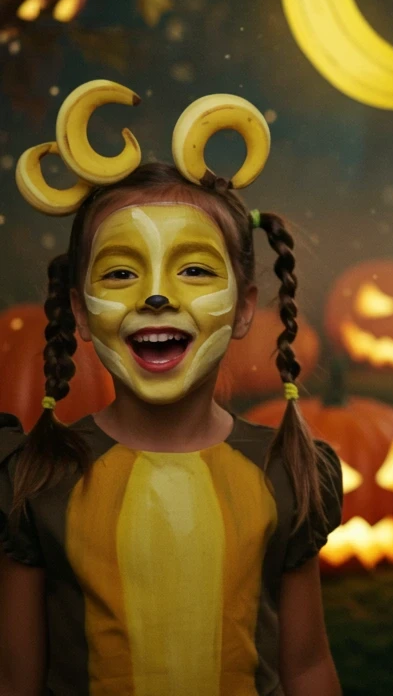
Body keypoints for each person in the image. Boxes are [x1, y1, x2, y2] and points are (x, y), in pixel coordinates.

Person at [0, 81, 344, 695]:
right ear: (80, 312)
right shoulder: (37, 477)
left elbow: (308, 666)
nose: (156, 296)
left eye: (192, 270)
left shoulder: (284, 470)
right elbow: (15, 678)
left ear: (244, 309)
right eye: (123, 272)